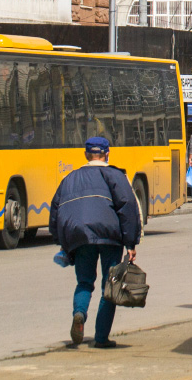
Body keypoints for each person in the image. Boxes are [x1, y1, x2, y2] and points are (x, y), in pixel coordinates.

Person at [48, 136, 141, 348]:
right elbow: (128, 208)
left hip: (79, 236)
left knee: (84, 282)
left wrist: (61, 240)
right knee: (110, 285)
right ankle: (101, 338)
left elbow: (56, 209)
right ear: (107, 154)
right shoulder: (115, 175)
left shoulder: (70, 177)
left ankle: (79, 314)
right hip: (110, 236)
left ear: (85, 154)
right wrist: (131, 244)